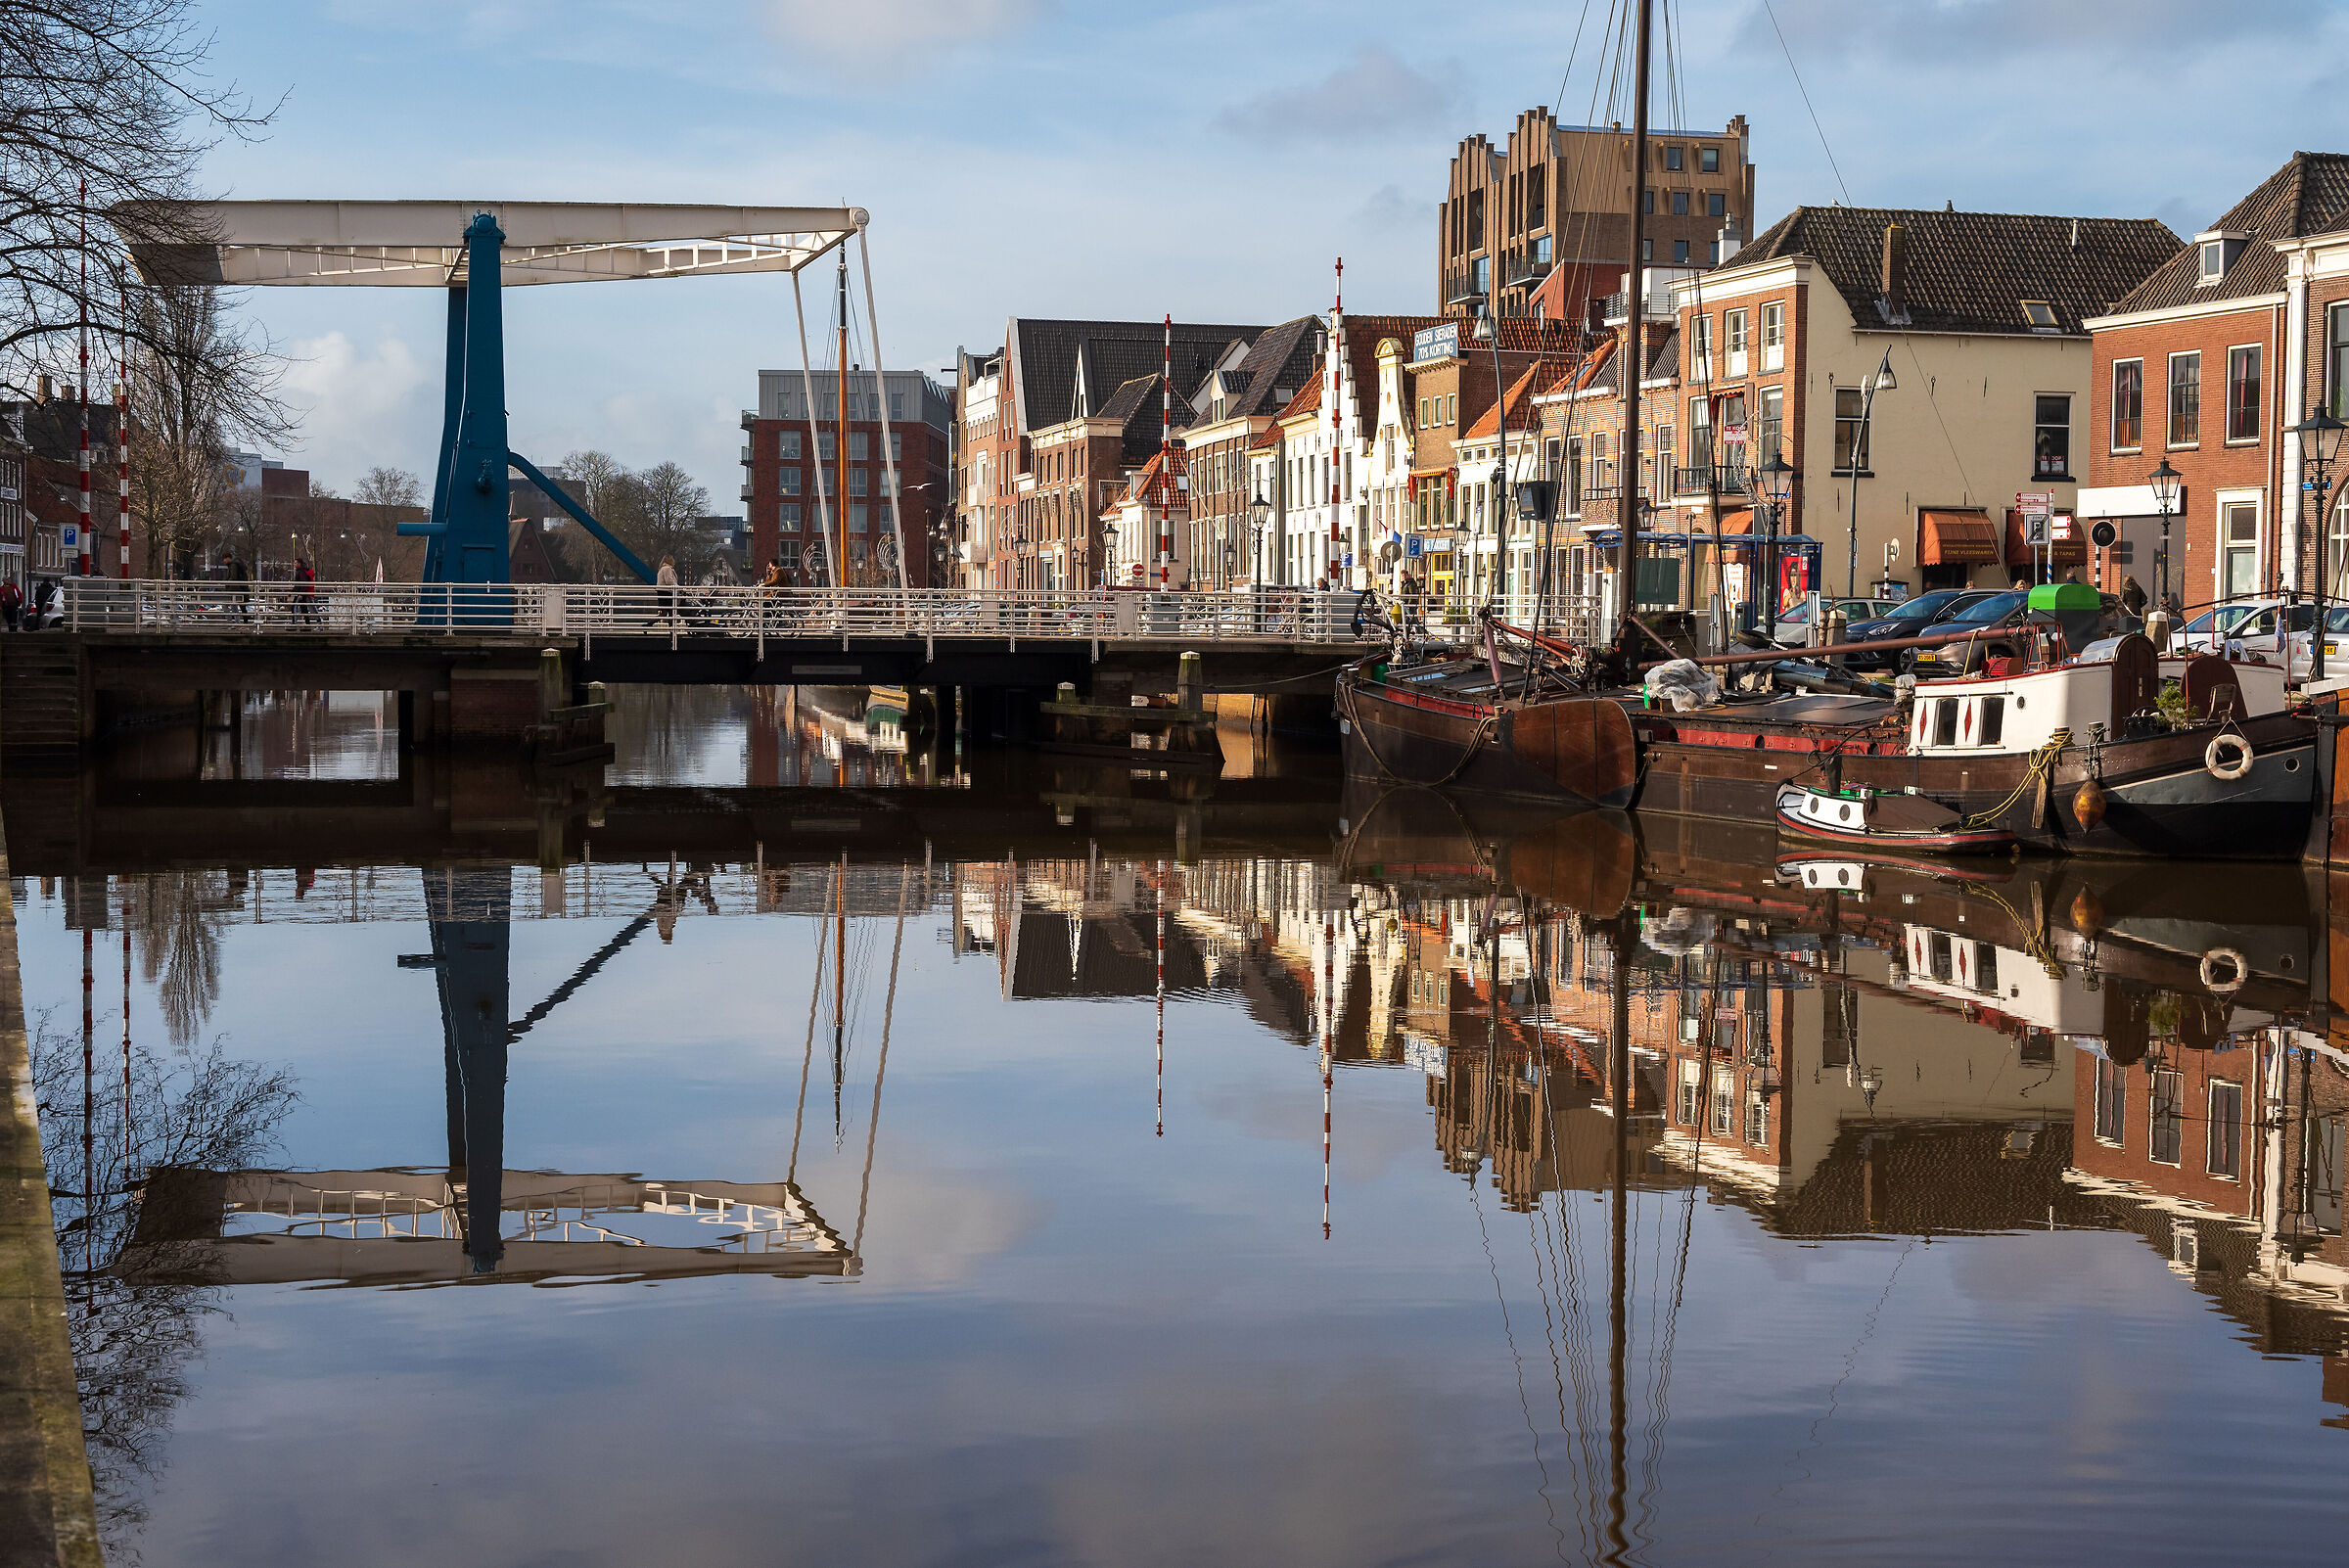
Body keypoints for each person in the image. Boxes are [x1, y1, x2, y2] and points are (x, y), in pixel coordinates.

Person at [657, 554, 679, 622]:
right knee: (669, 612)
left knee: (666, 612)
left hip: (662, 592)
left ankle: (648, 624)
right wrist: (678, 587)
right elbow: (669, 581)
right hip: (666, 592)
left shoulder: (662, 568)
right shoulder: (667, 568)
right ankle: (672, 630)